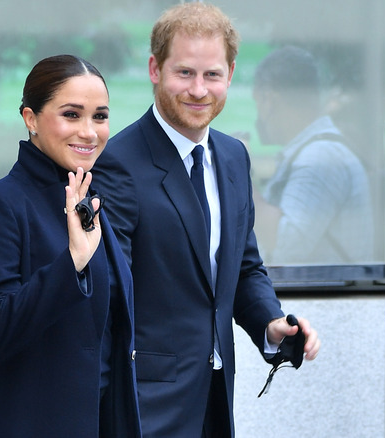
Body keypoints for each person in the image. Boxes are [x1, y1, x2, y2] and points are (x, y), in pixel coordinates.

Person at [94, 4, 320, 437]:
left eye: (212, 75)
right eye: (185, 73)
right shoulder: (118, 164)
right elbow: (108, 299)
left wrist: (271, 325)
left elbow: (244, 267)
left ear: (231, 75)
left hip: (216, 399)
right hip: (144, 407)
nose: (199, 90)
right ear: (154, 69)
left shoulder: (233, 157)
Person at [0, 54, 141, 438]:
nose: (89, 132)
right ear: (31, 119)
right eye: (72, 115)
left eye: (100, 116)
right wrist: (72, 262)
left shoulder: (92, 201)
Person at [252, 45, 374, 265]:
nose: (258, 114)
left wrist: (235, 174)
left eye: (258, 103)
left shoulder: (319, 157)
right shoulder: (313, 151)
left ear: (269, 99)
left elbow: (286, 245)